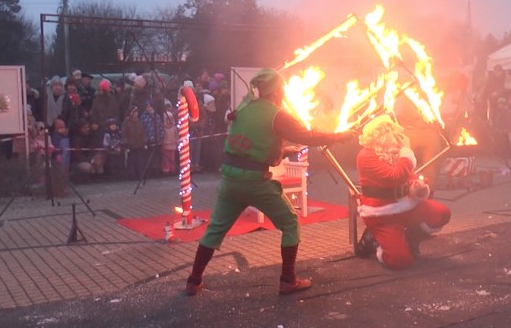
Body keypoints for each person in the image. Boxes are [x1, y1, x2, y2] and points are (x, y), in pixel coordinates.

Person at [185, 68, 354, 297]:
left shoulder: (244, 108)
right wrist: (339, 137)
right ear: (276, 91)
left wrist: (282, 151)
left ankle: (193, 281)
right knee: (290, 222)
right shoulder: (276, 114)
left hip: (230, 180)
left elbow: (252, 145)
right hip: (255, 183)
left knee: (214, 231)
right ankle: (288, 280)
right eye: (282, 89)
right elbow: (308, 136)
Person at [353, 114, 451, 269]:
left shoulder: (394, 152)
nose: (399, 137)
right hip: (382, 214)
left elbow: (407, 176)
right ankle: (374, 240)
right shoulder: (366, 156)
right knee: (401, 261)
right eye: (394, 133)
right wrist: (406, 151)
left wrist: (417, 186)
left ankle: (409, 239)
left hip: (406, 206)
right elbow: (394, 177)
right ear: (383, 135)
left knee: (441, 213)